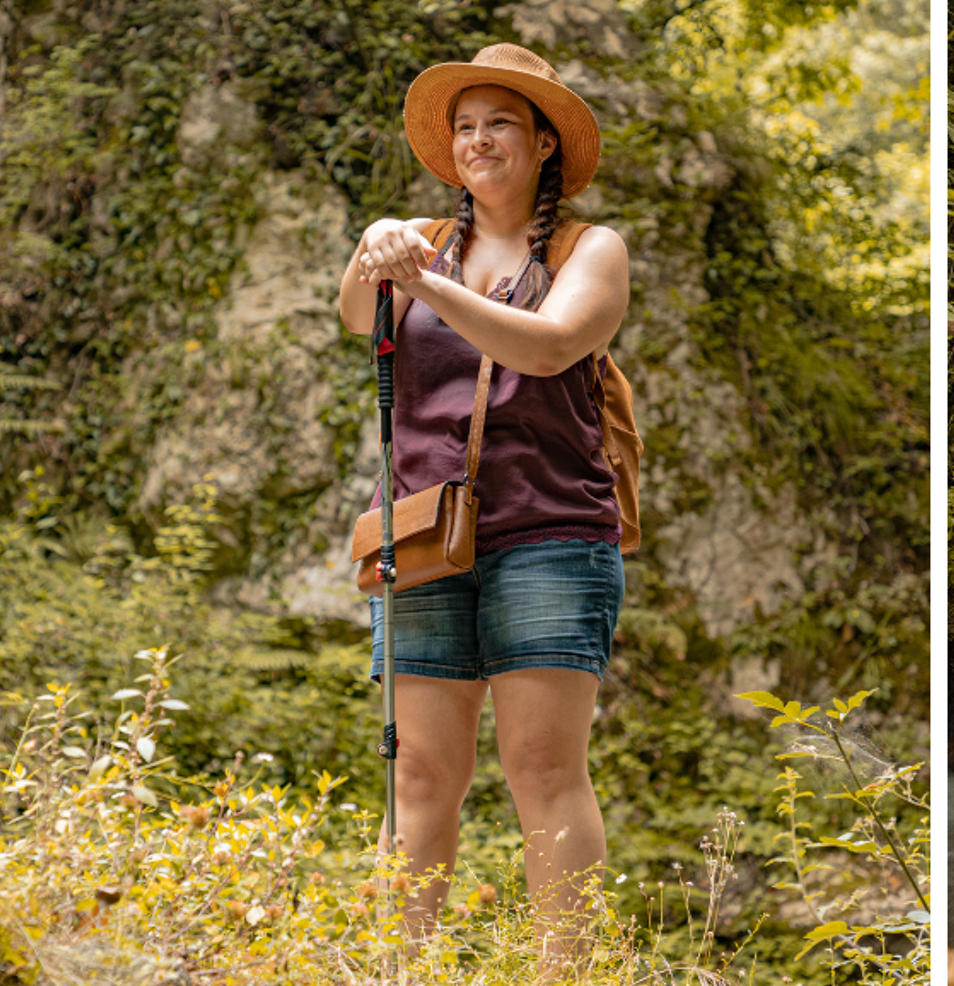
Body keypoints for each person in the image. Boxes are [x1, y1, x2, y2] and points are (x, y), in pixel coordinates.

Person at [334, 42, 631, 965]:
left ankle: (564, 974)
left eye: (500, 121)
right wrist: (380, 244)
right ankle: (398, 969)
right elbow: (355, 314)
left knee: (543, 770)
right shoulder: (418, 242)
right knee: (420, 773)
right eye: (464, 126)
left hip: (551, 535)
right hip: (425, 536)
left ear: (544, 142)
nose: (478, 140)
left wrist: (428, 282)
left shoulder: (593, 250)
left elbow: (547, 347)